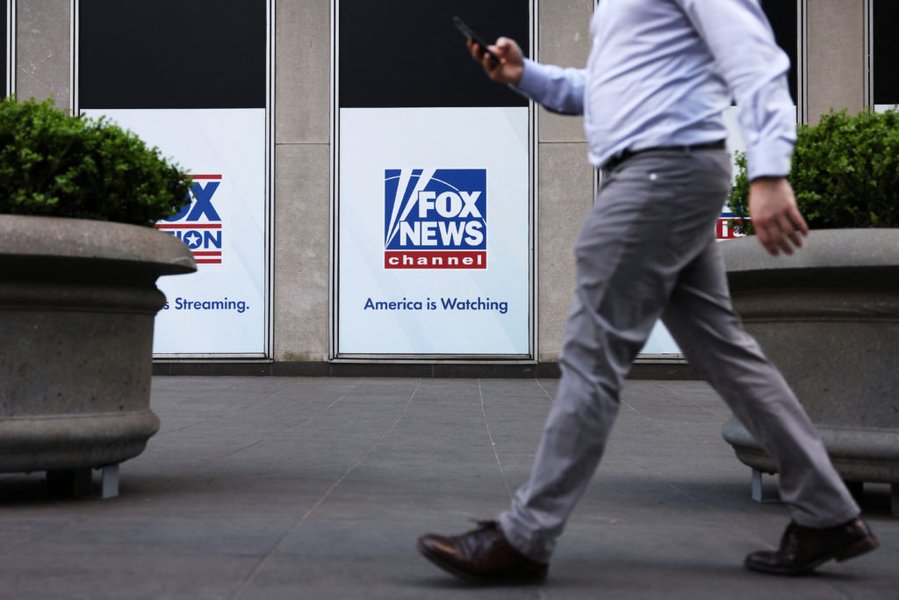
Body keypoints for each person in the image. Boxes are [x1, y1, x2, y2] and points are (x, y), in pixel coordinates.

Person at [416, 0, 879, 583]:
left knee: (591, 354)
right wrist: (524, 75)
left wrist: (769, 170)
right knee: (727, 353)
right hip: (668, 172)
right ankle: (827, 512)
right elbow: (611, 90)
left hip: (659, 175)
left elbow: (756, 60)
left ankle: (526, 535)